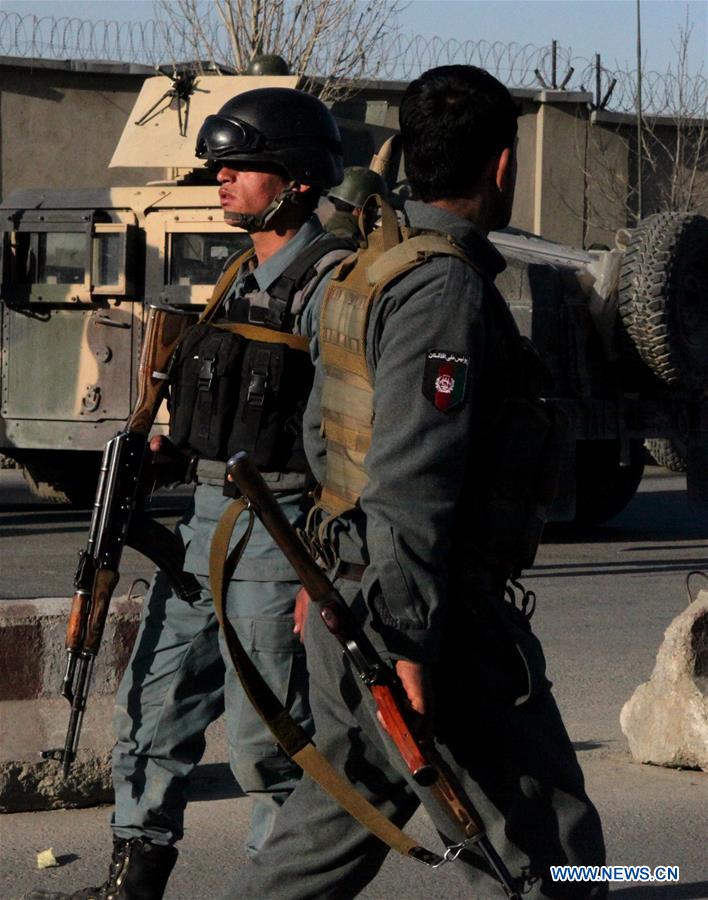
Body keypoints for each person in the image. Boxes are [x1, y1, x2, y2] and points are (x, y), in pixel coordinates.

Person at [234, 65, 607, 899]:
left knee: (328, 833)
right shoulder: (441, 287)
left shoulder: (370, 265)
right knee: (557, 859)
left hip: (353, 599)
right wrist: (400, 641)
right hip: (429, 629)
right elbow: (414, 473)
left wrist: (327, 577)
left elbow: (325, 435)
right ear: (502, 168)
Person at [29, 87, 352, 900]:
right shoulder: (239, 275)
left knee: (268, 742)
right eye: (222, 165)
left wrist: (327, 568)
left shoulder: (331, 289)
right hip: (205, 520)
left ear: (299, 178)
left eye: (243, 166)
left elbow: (347, 444)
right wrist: (172, 447)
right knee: (153, 706)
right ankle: (130, 882)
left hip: (280, 537)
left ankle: (281, 888)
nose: (223, 179)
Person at [324, 165, 388, 239]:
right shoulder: (355, 242)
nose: (375, 215)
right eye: (374, 209)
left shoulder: (325, 230)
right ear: (359, 210)